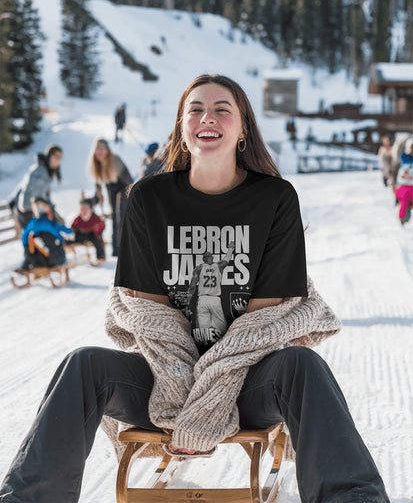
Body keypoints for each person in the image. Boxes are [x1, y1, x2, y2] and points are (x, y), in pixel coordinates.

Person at [0, 75, 389, 503]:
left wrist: (212, 400)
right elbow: (149, 316)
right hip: (165, 378)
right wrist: (183, 395)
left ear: (243, 130)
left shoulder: (275, 199)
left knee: (303, 365)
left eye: (223, 109)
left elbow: (262, 324)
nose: (209, 117)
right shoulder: (148, 199)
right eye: (196, 109)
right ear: (183, 128)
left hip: (246, 381)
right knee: (83, 365)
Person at [87, 138, 133, 257]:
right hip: (112, 194)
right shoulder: (97, 166)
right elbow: (98, 190)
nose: (100, 152)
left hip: (123, 191)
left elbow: (129, 182)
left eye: (102, 149)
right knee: (114, 221)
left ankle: (122, 251)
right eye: (98, 149)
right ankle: (115, 252)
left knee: (120, 220)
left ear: (107, 150)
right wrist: (93, 200)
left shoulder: (115, 161)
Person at [187, 242, 235, 352]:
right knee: (221, 329)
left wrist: (187, 301)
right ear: (211, 258)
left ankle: (205, 352)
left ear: (204, 259)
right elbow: (227, 259)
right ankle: (221, 351)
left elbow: (192, 286)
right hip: (215, 299)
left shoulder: (198, 268)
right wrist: (231, 248)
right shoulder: (219, 265)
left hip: (203, 299)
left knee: (204, 333)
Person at [8, 145, 63, 231]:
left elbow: (24, 186)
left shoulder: (45, 171)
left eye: (60, 158)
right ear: (49, 156)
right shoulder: (41, 172)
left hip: (32, 211)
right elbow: (32, 197)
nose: (58, 160)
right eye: (56, 156)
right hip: (28, 212)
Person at [19, 197, 74, 270]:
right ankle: (31, 263)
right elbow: (24, 235)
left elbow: (64, 230)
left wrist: (70, 234)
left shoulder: (52, 221)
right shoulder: (33, 222)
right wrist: (26, 244)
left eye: (42, 206)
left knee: (46, 237)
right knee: (32, 239)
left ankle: (52, 262)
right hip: (38, 252)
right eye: (37, 207)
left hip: (54, 250)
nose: (39, 209)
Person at [71, 198, 106, 262]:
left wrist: (101, 223)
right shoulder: (78, 219)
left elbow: (101, 226)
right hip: (81, 235)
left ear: (91, 210)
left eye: (86, 209)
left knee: (98, 242)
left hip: (92, 235)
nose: (84, 212)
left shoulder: (95, 218)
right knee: (71, 240)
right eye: (82, 209)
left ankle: (100, 257)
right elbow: (73, 227)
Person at [394, 138, 413, 225]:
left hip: (401, 187)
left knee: (404, 202)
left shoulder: (403, 159)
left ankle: (402, 218)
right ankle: (403, 217)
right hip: (412, 187)